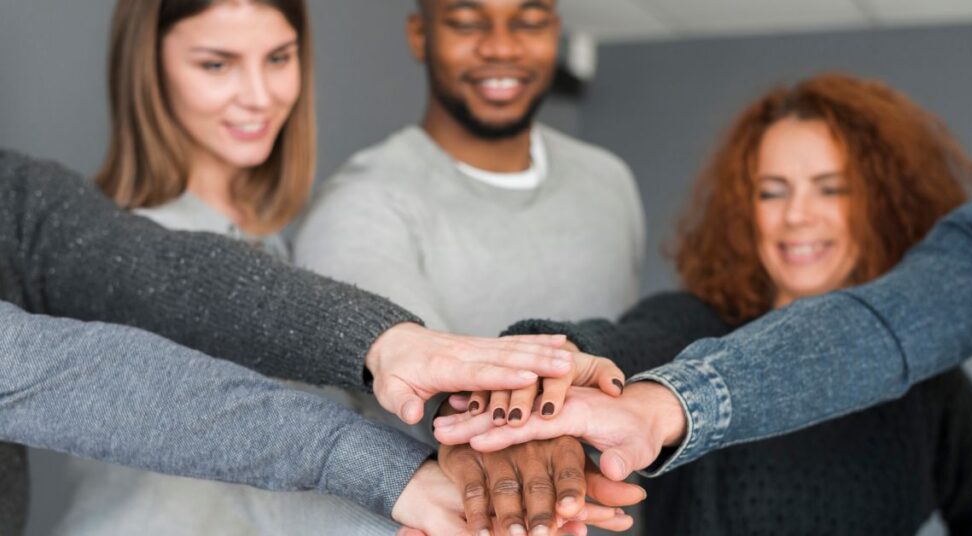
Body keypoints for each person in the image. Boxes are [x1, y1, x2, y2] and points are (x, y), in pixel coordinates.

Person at [50, 1, 632, 534]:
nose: (258, 95)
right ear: (149, 72)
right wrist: (443, 497)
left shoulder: (277, 246)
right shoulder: (118, 259)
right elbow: (254, 451)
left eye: (278, 58)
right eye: (216, 64)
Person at [435, 74, 972, 534]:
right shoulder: (693, 326)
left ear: (882, 205)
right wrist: (543, 367)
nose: (796, 215)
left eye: (831, 189)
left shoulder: (938, 394)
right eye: (771, 191)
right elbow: (615, 347)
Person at [294, 1, 643, 531]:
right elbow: (425, 391)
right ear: (419, 35)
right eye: (466, 21)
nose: (501, 46)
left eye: (528, 21)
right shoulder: (362, 202)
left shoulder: (610, 183)